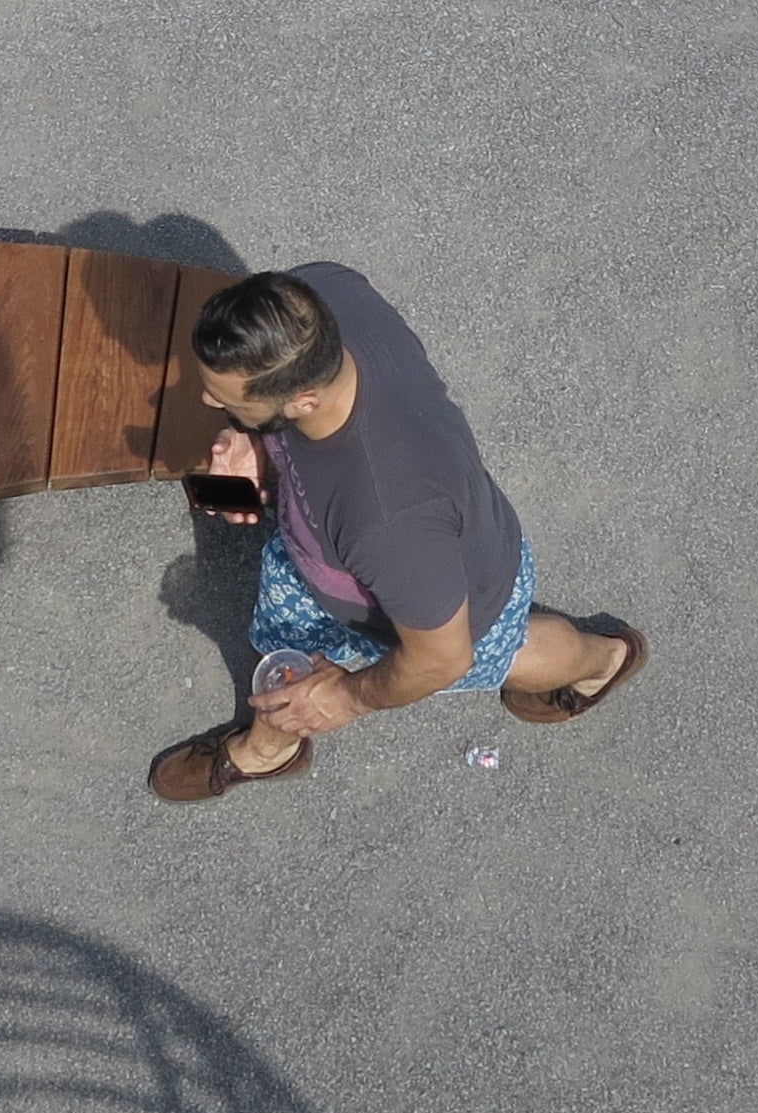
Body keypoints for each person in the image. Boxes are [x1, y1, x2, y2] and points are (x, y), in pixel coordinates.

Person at [147, 263, 645, 803]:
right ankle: (270, 750)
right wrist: (251, 438)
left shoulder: (390, 519)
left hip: (447, 610)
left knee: (508, 652)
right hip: (343, 556)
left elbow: (440, 658)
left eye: (229, 400)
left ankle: (604, 661)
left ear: (303, 402)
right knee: (283, 664)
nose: (208, 403)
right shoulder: (323, 295)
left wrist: (346, 698)